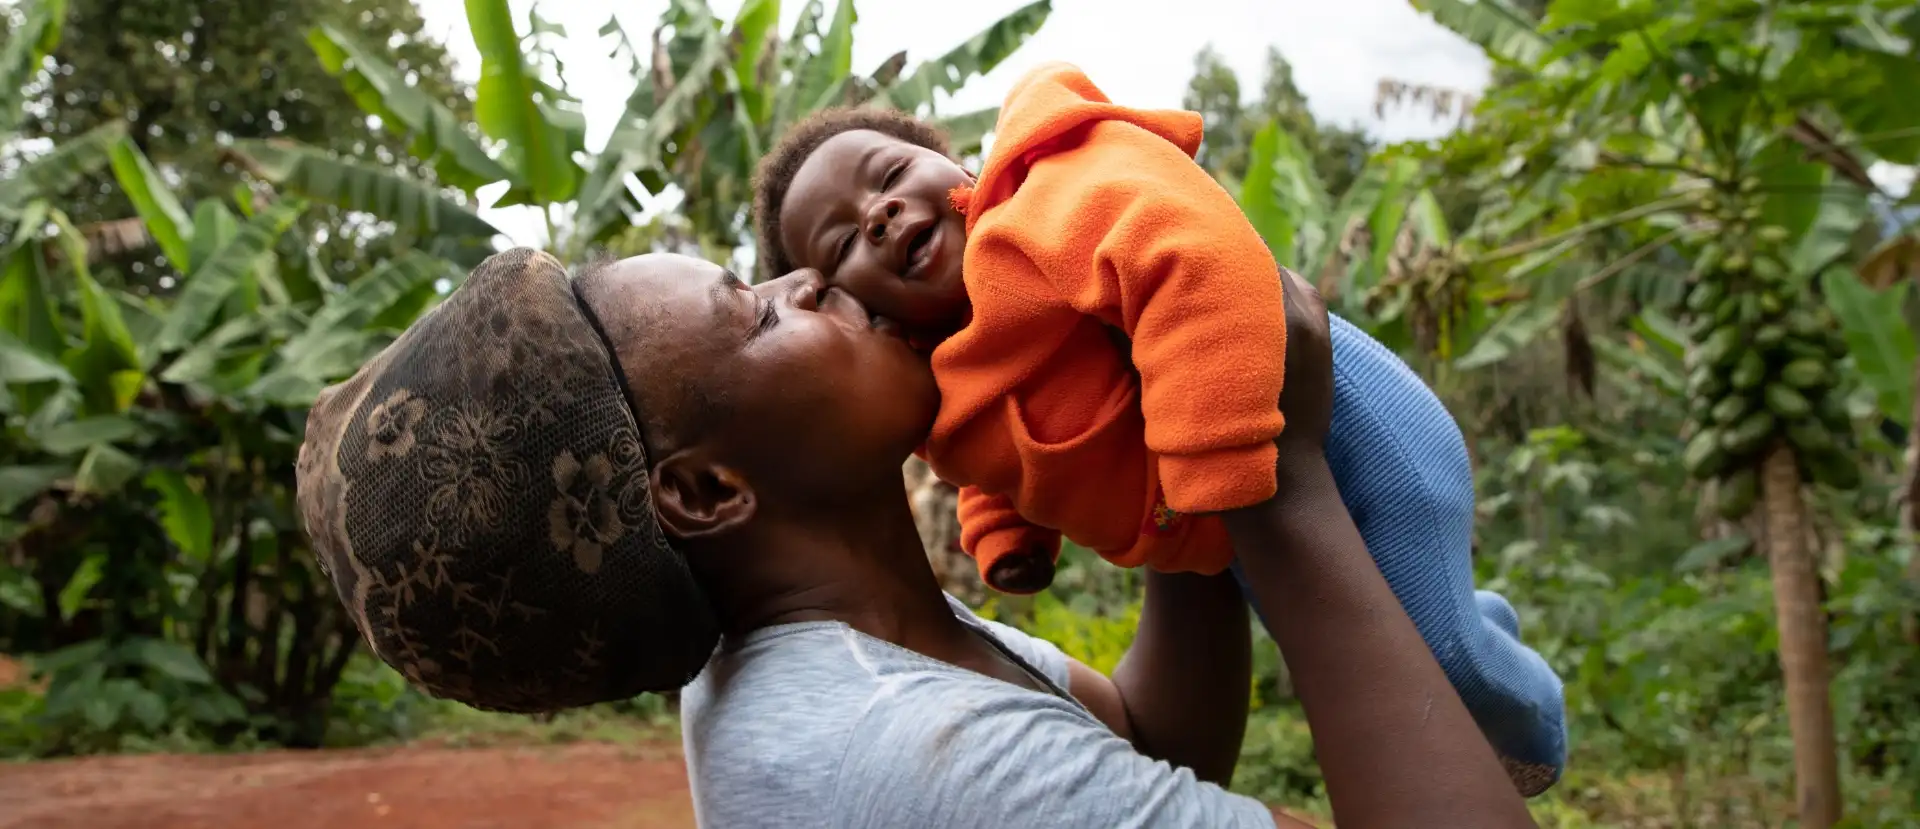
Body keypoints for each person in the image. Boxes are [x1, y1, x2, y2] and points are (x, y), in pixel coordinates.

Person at [295, 247, 1536, 827]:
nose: (811, 284)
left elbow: (1159, 746)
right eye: (759, 313)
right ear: (708, 491)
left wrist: (1167, 483)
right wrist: (1279, 475)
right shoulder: (895, 751)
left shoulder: (835, 645)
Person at [748, 60, 1565, 793]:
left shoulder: (1049, 199)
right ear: (856, 308)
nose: (879, 215)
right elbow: (1003, 455)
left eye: (888, 174)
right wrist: (1005, 530)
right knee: (1371, 661)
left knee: (1442, 654)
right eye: (846, 237)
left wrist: (1223, 460)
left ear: (962, 165)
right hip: (1234, 508)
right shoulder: (951, 379)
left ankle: (1531, 724)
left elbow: (1190, 255)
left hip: (1329, 422)